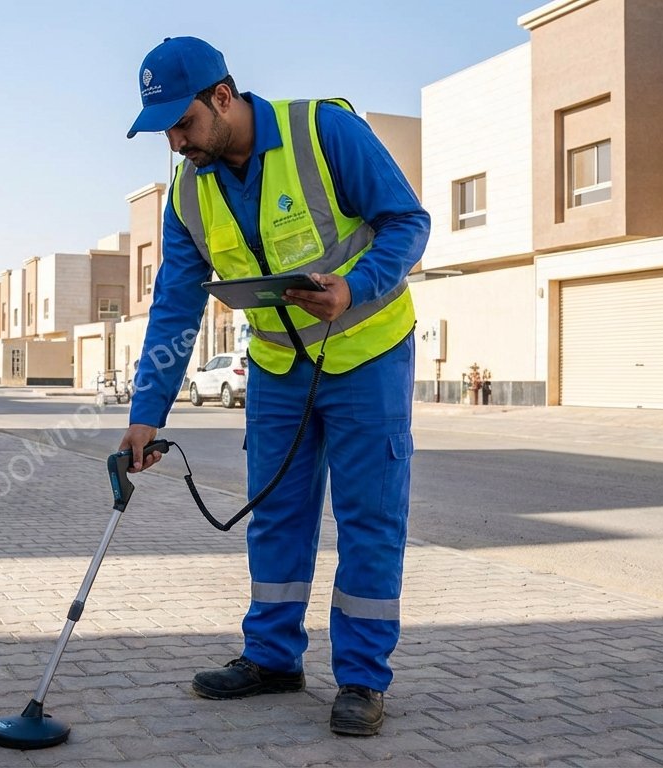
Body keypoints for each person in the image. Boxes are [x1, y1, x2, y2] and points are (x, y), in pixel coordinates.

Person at [118, 36, 429, 737]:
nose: (175, 142)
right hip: (280, 370)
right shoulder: (189, 192)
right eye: (164, 129)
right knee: (278, 517)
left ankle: (360, 679)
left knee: (368, 521)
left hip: (368, 354)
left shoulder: (323, 131)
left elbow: (408, 223)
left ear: (222, 97)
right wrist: (146, 413)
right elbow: (175, 304)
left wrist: (354, 289)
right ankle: (272, 658)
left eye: (183, 122)